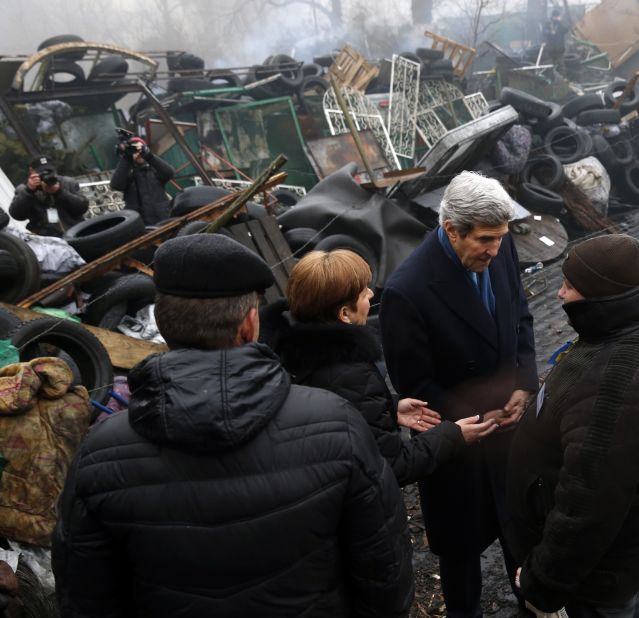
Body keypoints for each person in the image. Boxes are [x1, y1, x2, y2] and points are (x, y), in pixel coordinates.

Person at [52, 234, 414, 617]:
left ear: (162, 322)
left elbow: (85, 598)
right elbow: (383, 571)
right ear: (249, 324)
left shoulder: (99, 454)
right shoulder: (336, 423)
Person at [504, 234, 639, 618]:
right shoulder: (637, 327)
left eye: (570, 287)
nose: (559, 294)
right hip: (614, 563)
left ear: (603, 297)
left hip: (594, 582)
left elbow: (588, 508)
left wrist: (542, 584)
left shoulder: (621, 383)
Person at [380, 171, 539, 617]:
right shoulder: (406, 291)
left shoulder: (500, 248)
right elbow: (414, 385)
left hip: (510, 429)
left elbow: (521, 317)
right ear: (451, 229)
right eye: (486, 240)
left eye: (501, 238)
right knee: (460, 550)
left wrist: (525, 383)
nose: (496, 249)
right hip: (455, 438)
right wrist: (473, 419)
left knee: (521, 531)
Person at [260, 248, 499, 487]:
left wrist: (389, 407)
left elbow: (340, 415)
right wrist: (453, 437)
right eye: (363, 293)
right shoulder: (350, 372)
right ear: (344, 314)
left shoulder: (288, 356)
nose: (372, 294)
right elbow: (391, 467)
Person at [9, 154, 88, 237]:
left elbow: (82, 207)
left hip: (75, 233)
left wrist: (59, 192)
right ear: (32, 171)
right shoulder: (24, 189)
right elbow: (17, 215)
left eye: (49, 172)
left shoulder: (67, 182)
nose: (46, 176)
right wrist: (29, 192)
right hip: (48, 241)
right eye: (41, 173)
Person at [109, 136, 175, 225]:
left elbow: (169, 173)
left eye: (139, 148)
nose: (138, 153)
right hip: (139, 223)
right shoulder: (126, 172)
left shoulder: (154, 170)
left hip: (163, 219)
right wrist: (127, 158)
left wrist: (149, 156)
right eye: (134, 149)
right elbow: (116, 185)